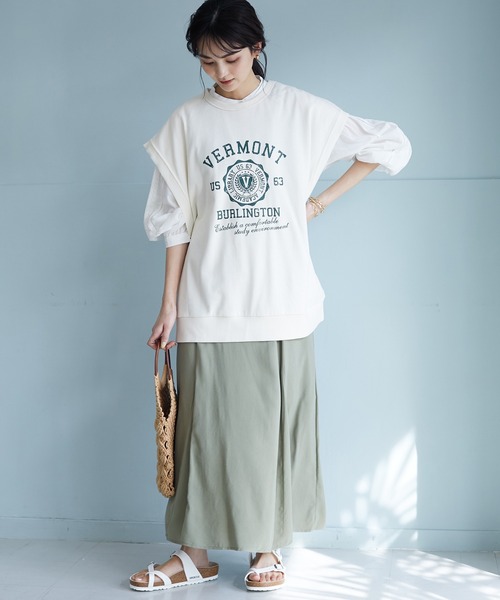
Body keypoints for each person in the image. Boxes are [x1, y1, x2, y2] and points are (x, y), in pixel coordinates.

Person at [129, 0, 411, 593]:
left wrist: (318, 203)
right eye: (207, 63)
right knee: (201, 433)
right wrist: (169, 305)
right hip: (210, 299)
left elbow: (388, 142)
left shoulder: (299, 111)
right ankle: (194, 555)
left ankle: (268, 548)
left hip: (283, 298)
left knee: (274, 431)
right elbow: (176, 222)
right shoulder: (187, 122)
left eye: (230, 59)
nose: (220, 73)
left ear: (257, 47)